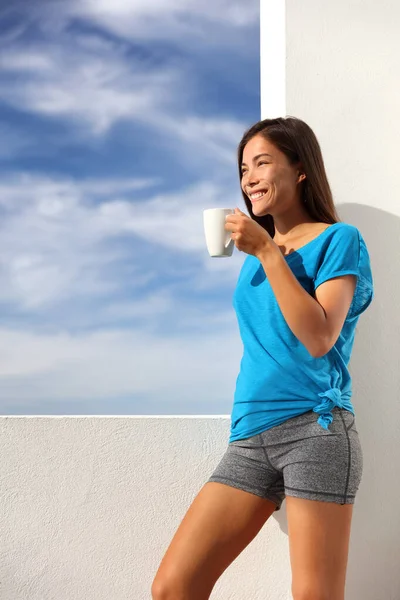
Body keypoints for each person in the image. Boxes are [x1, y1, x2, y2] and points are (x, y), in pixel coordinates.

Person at [151, 116, 374, 600]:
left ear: (299, 169)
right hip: (250, 435)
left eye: (262, 162)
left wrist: (269, 253)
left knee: (314, 595)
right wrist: (263, 251)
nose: (248, 176)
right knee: (174, 587)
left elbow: (319, 337)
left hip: (315, 429)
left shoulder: (340, 240)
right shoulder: (253, 258)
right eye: (243, 167)